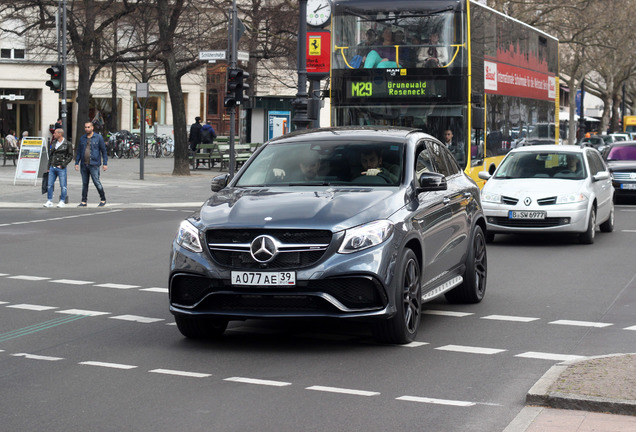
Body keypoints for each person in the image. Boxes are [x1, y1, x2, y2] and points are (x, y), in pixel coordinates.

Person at [75, 121, 108, 207]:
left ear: (92, 128)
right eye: (85, 127)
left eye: (88, 127)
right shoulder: (82, 138)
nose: (87, 129)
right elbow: (79, 151)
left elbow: (104, 151)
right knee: (85, 183)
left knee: (97, 182)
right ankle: (84, 201)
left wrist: (105, 163)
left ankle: (103, 199)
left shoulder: (98, 137)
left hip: (94, 164)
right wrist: (76, 162)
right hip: (84, 165)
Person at [43, 128, 73, 208]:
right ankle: (49, 200)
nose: (54, 134)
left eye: (55, 133)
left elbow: (70, 156)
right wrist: (48, 166)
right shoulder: (54, 142)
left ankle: (62, 201)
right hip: (53, 166)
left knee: (63, 185)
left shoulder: (67, 144)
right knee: (49, 185)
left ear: (60, 134)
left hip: (61, 167)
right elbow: (51, 155)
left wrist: (63, 164)